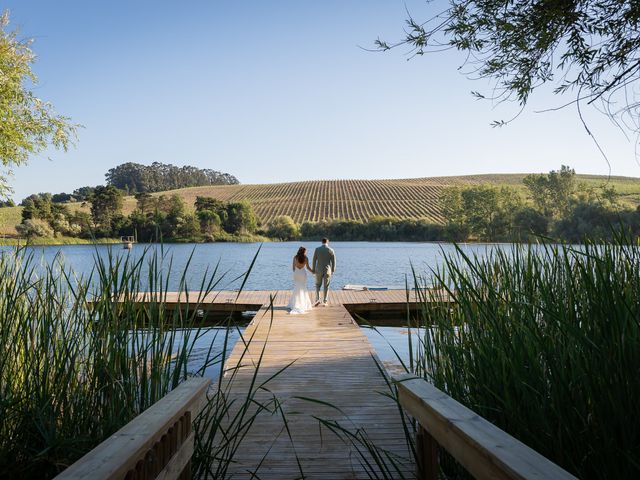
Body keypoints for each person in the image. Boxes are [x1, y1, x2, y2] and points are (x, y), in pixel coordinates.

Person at [287, 246, 314, 314]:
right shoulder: (306, 258)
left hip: (296, 273)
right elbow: (307, 267)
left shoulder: (295, 257)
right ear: (304, 252)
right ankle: (303, 304)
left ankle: (295, 303)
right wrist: (313, 271)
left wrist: (296, 271)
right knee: (303, 288)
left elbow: (293, 268)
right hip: (303, 273)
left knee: (297, 287)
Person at [312, 238, 336, 306]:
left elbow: (314, 260)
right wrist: (333, 270)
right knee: (326, 286)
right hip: (327, 270)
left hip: (318, 270)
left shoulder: (317, 249)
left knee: (317, 285)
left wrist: (313, 269)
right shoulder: (331, 250)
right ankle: (325, 301)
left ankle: (318, 299)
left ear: (321, 242)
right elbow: (333, 261)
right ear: (327, 242)